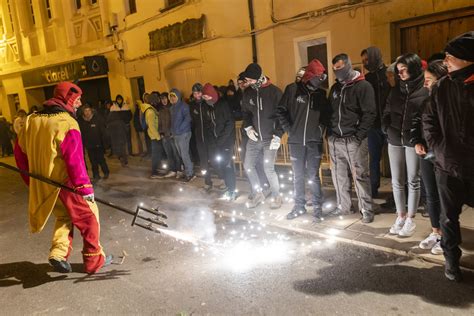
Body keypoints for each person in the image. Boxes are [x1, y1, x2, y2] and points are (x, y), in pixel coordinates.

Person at [14, 81, 111, 274]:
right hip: (65, 183)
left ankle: (58, 254)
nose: (79, 102)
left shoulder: (32, 119)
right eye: (76, 99)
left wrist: (31, 179)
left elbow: (19, 152)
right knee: (90, 217)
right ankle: (94, 260)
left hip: (43, 182)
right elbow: (75, 160)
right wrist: (85, 189)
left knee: (64, 216)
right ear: (66, 98)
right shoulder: (66, 123)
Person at [423, 31, 474, 282]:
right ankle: (451, 261)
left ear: (467, 59)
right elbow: (429, 119)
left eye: (450, 56)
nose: (446, 60)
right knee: (448, 219)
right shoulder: (442, 86)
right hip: (447, 165)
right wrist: (438, 149)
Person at [278, 59, 331, 221]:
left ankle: (317, 208)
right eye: (317, 78)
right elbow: (281, 111)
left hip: (314, 143)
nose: (320, 82)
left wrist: (320, 130)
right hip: (296, 142)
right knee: (298, 176)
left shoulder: (321, 95)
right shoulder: (292, 90)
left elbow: (326, 117)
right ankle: (299, 206)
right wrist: (289, 130)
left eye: (321, 79)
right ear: (309, 76)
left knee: (313, 176)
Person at [383, 53, 428, 237]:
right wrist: (386, 128)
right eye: (398, 71)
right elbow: (386, 111)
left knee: (413, 180)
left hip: (413, 141)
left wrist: (420, 139)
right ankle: (400, 215)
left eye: (404, 70)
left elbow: (427, 118)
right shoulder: (395, 91)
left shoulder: (424, 91)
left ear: (414, 68)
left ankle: (411, 218)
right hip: (394, 140)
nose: (400, 74)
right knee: (396, 181)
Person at [328, 53, 376, 223]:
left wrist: (358, 136)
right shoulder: (335, 89)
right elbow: (330, 112)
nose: (337, 72)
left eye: (340, 68)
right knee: (338, 176)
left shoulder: (363, 86)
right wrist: (330, 133)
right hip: (335, 139)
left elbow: (370, 113)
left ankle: (367, 209)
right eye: (334, 69)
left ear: (348, 65)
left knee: (360, 176)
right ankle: (344, 206)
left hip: (353, 140)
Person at [410, 60, 447, 255]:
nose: (425, 84)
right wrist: (416, 141)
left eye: (429, 80)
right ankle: (435, 232)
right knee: (431, 195)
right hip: (425, 155)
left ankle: (447, 237)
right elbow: (416, 124)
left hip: (443, 157)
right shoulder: (425, 102)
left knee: (445, 197)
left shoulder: (451, 103)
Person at [242, 63, 283, 209]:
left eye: (251, 80)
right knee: (248, 165)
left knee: (268, 168)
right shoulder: (248, 93)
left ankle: (277, 195)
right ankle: (258, 193)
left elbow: (282, 116)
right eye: (247, 80)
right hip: (254, 138)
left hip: (269, 138)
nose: (249, 83)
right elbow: (246, 113)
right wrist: (248, 127)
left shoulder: (275, 92)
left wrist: (278, 135)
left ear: (259, 78)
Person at [361, 46, 391, 198]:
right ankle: (372, 190)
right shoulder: (367, 79)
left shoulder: (389, 74)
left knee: (395, 160)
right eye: (364, 61)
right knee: (374, 159)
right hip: (373, 126)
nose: (366, 63)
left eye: (368, 59)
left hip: (391, 125)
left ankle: (399, 193)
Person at [202, 83, 237, 200]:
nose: (206, 99)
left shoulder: (223, 105)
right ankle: (227, 185)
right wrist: (212, 140)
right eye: (204, 98)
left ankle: (232, 190)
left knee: (227, 165)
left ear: (212, 95)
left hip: (226, 141)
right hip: (215, 142)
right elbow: (208, 125)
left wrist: (221, 139)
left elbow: (229, 123)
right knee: (217, 163)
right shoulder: (207, 107)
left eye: (207, 97)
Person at [170, 89, 195, 182]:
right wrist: (172, 131)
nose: (172, 98)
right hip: (176, 134)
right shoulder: (172, 108)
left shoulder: (184, 106)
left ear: (178, 96)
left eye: (174, 96)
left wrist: (180, 128)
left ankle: (190, 173)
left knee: (184, 154)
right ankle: (188, 170)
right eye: (171, 96)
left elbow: (188, 118)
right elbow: (172, 122)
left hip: (184, 133)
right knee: (181, 154)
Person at [79, 105, 110, 181]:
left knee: (101, 159)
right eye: (85, 111)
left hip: (98, 144)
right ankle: (96, 175)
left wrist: (105, 143)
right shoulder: (81, 122)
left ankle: (106, 172)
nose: (87, 112)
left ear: (91, 111)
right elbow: (81, 134)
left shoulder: (97, 119)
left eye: (88, 110)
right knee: (93, 161)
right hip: (89, 145)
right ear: (83, 112)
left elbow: (103, 132)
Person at [139, 96, 163, 179]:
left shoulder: (151, 110)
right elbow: (151, 126)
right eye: (157, 102)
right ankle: (154, 173)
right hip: (154, 137)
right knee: (156, 155)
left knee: (157, 154)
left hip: (155, 136)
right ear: (153, 103)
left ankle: (155, 170)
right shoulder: (150, 112)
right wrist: (158, 137)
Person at [159, 92, 180, 178]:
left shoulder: (172, 108)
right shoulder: (161, 110)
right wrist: (160, 132)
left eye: (165, 98)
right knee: (169, 154)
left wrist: (173, 132)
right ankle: (172, 170)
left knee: (176, 153)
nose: (163, 100)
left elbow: (175, 121)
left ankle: (179, 170)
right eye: (162, 99)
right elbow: (159, 123)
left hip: (172, 135)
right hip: (165, 136)